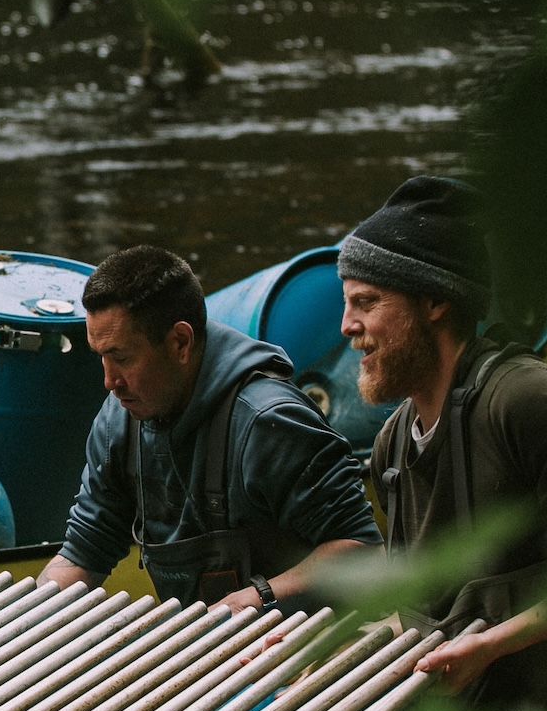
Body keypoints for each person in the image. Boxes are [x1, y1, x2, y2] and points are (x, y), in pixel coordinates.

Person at [337, 175, 547, 711]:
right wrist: (317, 655)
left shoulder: (530, 401)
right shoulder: (392, 448)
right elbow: (425, 612)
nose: (347, 326)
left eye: (367, 302)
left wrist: (498, 643)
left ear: (433, 301)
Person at [38, 246, 380, 610]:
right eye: (101, 357)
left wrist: (258, 598)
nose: (109, 381)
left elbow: (361, 548)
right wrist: (34, 610)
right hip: (208, 647)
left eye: (121, 358)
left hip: (307, 644)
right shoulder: (120, 419)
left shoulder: (269, 422)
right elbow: (86, 548)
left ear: (180, 342)